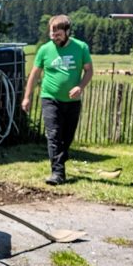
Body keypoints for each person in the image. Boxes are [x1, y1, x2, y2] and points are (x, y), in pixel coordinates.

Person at [19, 14, 93, 185]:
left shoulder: (81, 47)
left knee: (67, 136)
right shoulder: (45, 49)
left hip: (73, 101)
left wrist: (80, 87)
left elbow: (89, 70)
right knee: (53, 134)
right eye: (52, 34)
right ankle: (57, 173)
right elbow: (35, 74)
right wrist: (27, 97)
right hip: (50, 98)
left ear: (67, 32)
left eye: (58, 34)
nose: (54, 38)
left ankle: (60, 158)